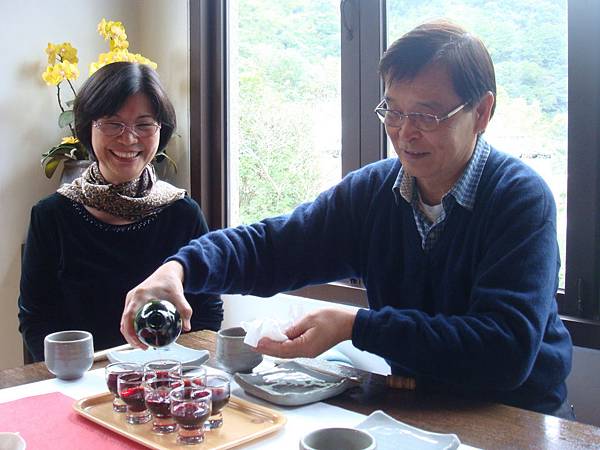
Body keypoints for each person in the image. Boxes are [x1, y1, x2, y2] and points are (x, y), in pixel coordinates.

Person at [120, 21, 572, 417]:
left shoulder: (519, 198)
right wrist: (179, 268)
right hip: (413, 403)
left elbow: (503, 351)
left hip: (515, 416)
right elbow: (275, 246)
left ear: (481, 112)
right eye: (392, 111)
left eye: (427, 115)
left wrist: (357, 326)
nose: (404, 132)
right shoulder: (375, 192)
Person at [19, 61, 223, 362]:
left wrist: (167, 373)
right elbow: (36, 319)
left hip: (162, 380)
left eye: (144, 124)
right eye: (113, 123)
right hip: (80, 382)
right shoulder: (52, 216)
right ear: (89, 126)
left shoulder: (182, 213)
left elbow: (207, 314)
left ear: (160, 130)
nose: (128, 138)